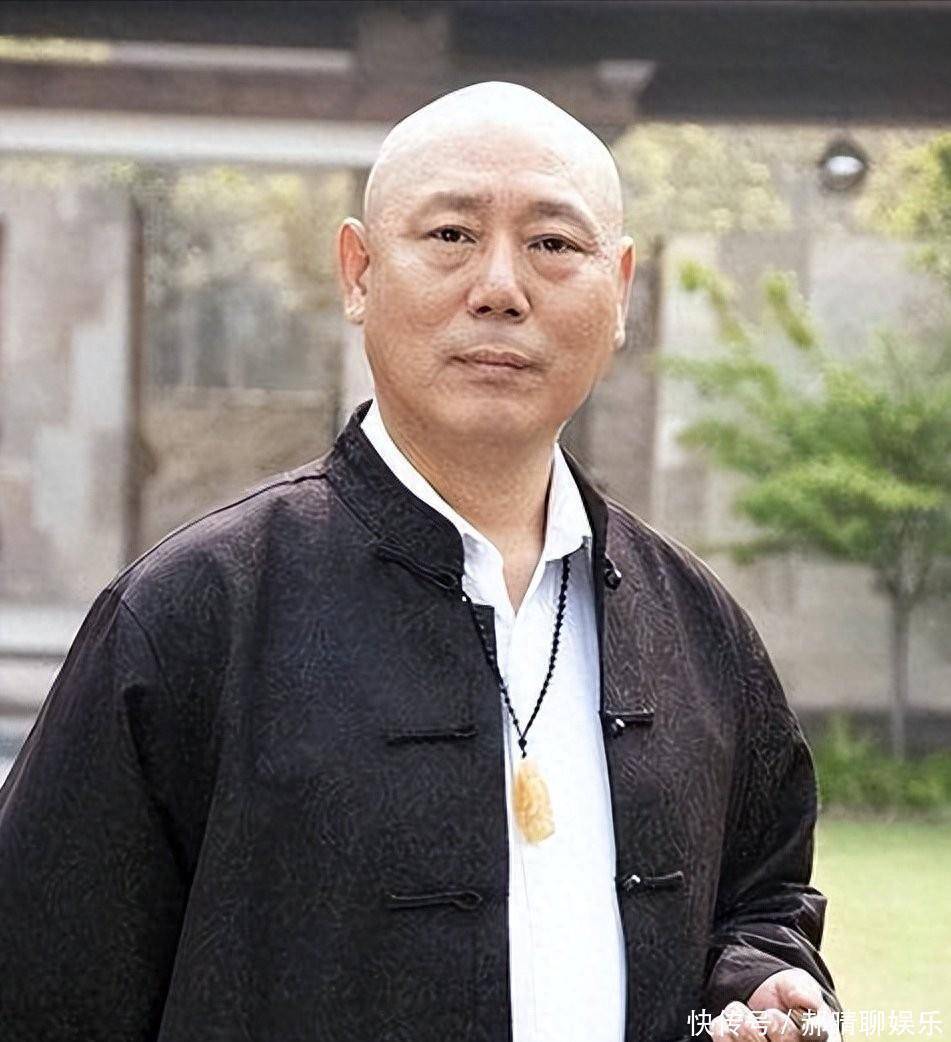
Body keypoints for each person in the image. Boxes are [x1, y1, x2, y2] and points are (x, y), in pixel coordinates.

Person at [0, 81, 842, 1042]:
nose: (500, 287)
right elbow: (38, 984)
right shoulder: (192, 612)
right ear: (358, 272)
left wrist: (758, 977)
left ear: (619, 290)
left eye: (552, 244)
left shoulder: (695, 628)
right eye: (450, 235)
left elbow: (763, 892)